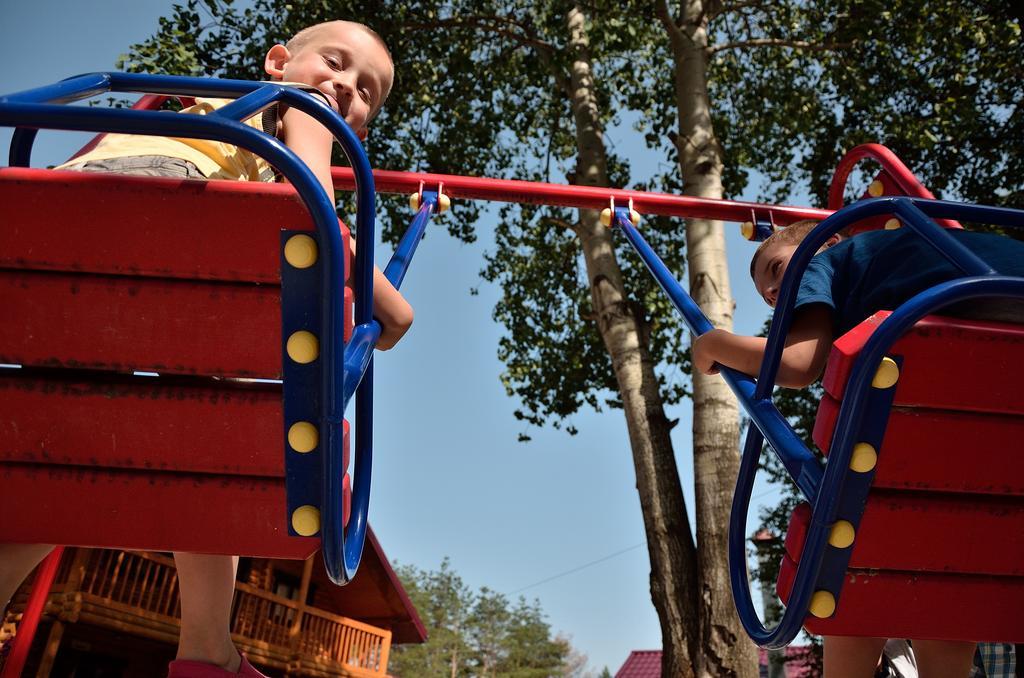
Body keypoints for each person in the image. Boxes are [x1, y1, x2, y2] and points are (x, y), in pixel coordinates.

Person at [0, 19, 411, 678]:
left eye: (364, 91)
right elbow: (318, 218)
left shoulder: (184, 111)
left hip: (54, 240)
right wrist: (394, 309)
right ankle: (207, 650)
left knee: (70, 463)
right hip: (167, 219)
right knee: (214, 438)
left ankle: (208, 648)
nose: (343, 87)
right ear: (278, 63)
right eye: (335, 63)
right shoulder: (299, 114)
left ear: (364, 125)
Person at [693, 218, 1024, 678]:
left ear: (827, 240)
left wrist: (716, 343)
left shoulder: (822, 258)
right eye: (764, 289)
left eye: (773, 269)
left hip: (961, 336)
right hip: (998, 371)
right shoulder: (925, 244)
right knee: (952, 577)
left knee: (853, 561)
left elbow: (799, 362)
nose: (772, 291)